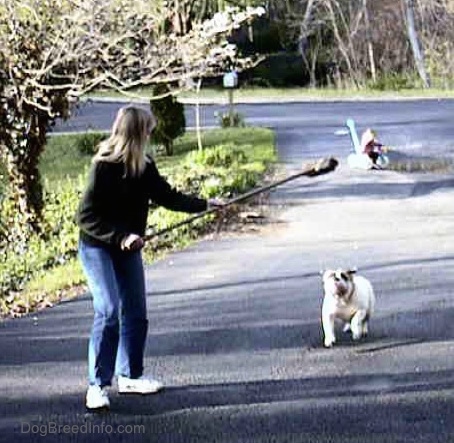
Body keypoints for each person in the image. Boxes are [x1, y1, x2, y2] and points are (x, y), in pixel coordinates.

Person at [76, 105, 224, 411]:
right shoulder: (103, 167)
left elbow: (167, 196)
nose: (151, 135)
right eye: (148, 130)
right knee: (108, 309)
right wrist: (122, 236)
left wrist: (205, 204)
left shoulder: (144, 165)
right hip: (97, 246)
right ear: (136, 132)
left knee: (136, 312)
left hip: (126, 248)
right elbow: (86, 217)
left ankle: (129, 375)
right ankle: (98, 385)